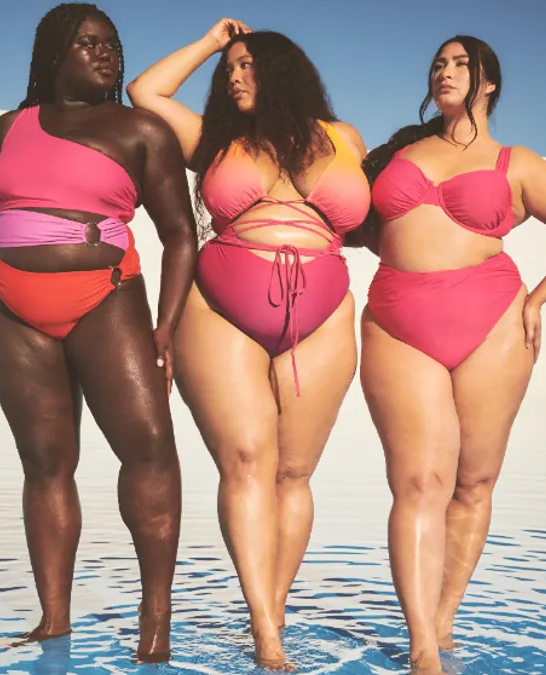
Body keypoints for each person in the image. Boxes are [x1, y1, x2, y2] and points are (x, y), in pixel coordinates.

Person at [349, 35, 546, 673]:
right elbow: (349, 220)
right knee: (417, 482)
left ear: (488, 83)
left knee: (473, 482)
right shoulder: (398, 154)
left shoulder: (514, 163)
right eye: (438, 63)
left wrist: (537, 301)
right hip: (396, 319)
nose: (445, 71)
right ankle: (420, 650)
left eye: (460, 64)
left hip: (493, 322)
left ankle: (442, 623)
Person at [0, 2, 198, 663]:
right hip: (15, 310)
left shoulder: (142, 129)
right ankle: (54, 617)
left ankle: (155, 612)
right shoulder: (4, 130)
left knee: (148, 446)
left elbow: (180, 233)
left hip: (108, 299)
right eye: (89, 43)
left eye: (113, 45)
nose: (107, 55)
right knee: (45, 462)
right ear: (52, 52)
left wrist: (167, 323)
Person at [127, 18, 370, 671]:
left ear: (283, 69)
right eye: (227, 69)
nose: (233, 77)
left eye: (246, 65)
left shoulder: (343, 138)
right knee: (246, 460)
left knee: (294, 472)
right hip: (222, 307)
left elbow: (375, 221)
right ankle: (267, 637)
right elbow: (144, 92)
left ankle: (273, 609)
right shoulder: (213, 139)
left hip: (323, 311)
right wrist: (210, 41)